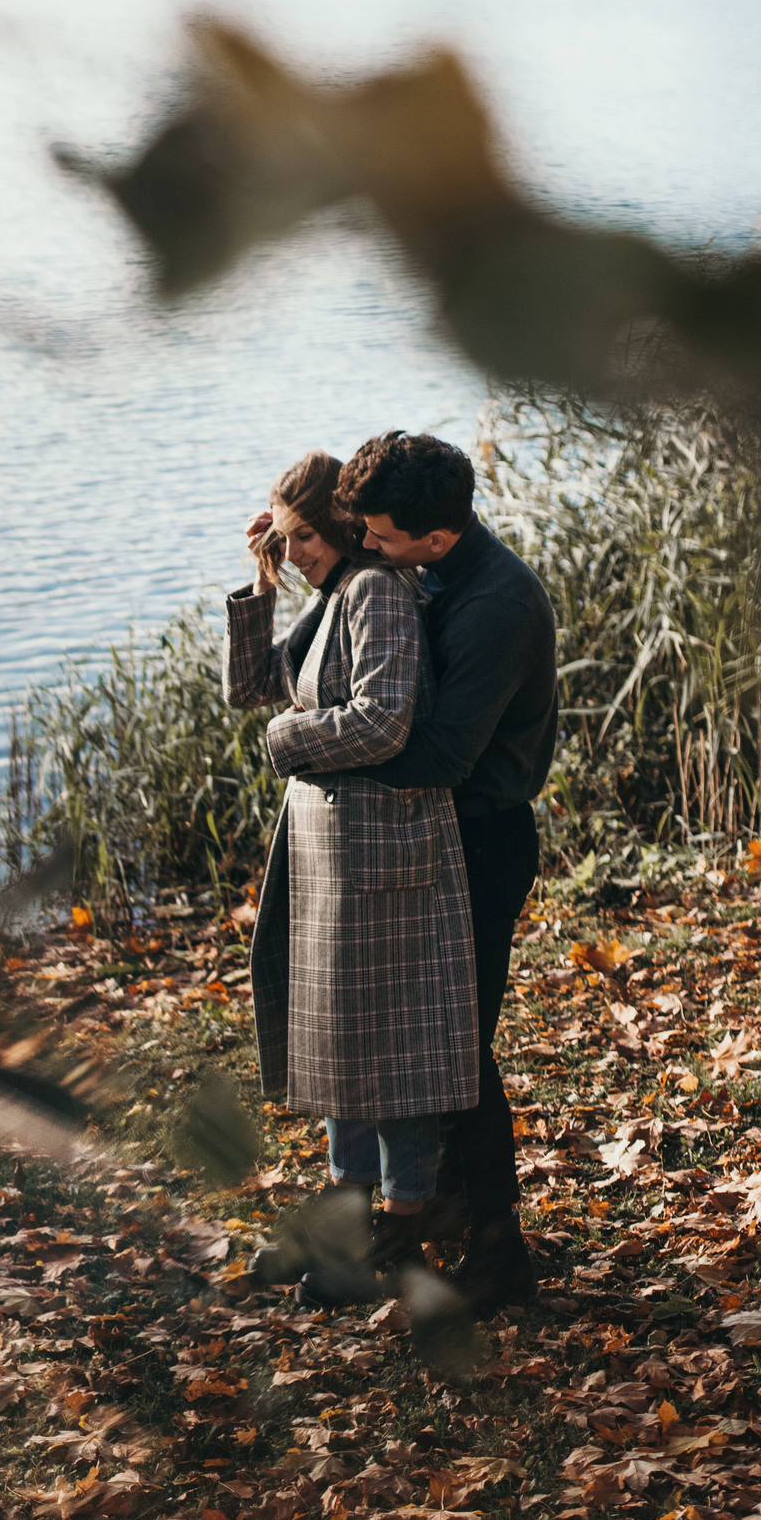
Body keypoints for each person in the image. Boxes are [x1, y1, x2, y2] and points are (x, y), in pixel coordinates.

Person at [222, 451, 481, 1300]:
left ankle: (399, 1228)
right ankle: (345, 1215)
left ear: (336, 528)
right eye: (283, 538)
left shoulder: (375, 591)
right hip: (335, 857)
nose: (292, 550)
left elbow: (383, 719)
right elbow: (251, 689)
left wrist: (286, 744)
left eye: (300, 537)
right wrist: (259, 589)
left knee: (393, 1050)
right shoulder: (335, 595)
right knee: (340, 1045)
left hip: (384, 852)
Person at [333, 432, 558, 1317]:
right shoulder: (430, 568)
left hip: (480, 844)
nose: (370, 549)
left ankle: (501, 1252)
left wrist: (329, 751)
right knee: (432, 1047)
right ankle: (456, 1213)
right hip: (436, 845)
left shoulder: (497, 606)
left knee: (457, 1052)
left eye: (381, 537)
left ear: (434, 536)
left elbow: (437, 752)